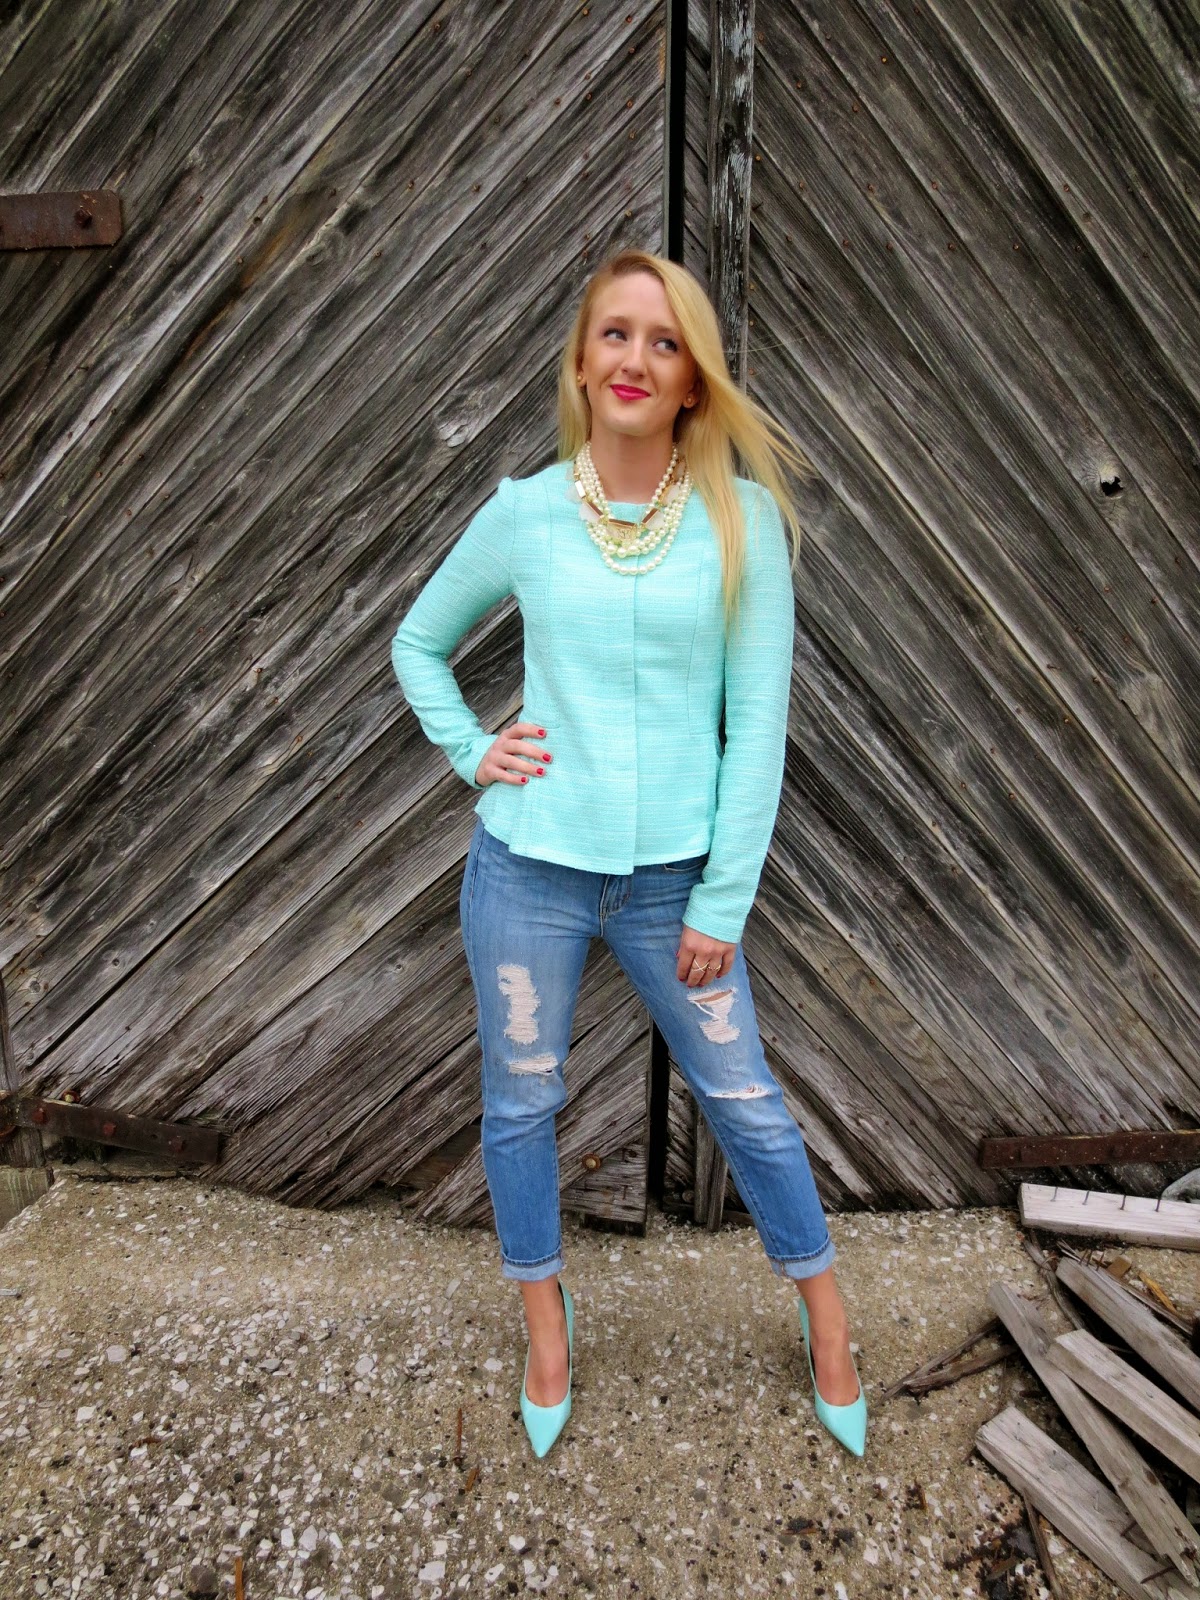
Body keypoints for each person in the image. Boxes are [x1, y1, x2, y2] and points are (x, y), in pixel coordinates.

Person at [390, 247, 866, 1461]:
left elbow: (757, 728)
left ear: (693, 379)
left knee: (744, 1100)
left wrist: (725, 899)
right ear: (580, 359)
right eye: (616, 334)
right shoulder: (525, 514)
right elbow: (416, 643)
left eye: (665, 341)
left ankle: (826, 1315)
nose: (636, 360)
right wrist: (473, 751)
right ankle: (545, 1325)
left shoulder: (740, 520)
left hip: (675, 890)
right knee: (521, 1103)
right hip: (527, 875)